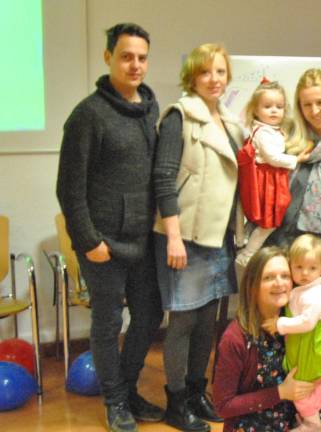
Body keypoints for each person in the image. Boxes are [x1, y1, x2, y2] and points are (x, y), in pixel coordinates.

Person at [56, 22, 164, 432]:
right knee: (106, 322)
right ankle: (115, 400)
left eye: (141, 57)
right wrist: (88, 241)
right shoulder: (87, 115)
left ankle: (128, 387)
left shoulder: (150, 108)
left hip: (142, 239)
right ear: (108, 58)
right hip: (103, 243)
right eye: (126, 56)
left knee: (150, 313)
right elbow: (68, 188)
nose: (135, 65)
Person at [153, 43, 244, 432]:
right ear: (192, 76)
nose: (214, 79)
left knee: (208, 321)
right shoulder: (179, 116)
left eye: (220, 72)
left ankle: (195, 391)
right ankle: (176, 401)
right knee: (184, 321)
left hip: (218, 236)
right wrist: (173, 237)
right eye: (205, 72)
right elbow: (163, 178)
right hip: (184, 236)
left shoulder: (229, 120)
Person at [213, 246, 321, 432]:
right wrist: (281, 392)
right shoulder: (234, 339)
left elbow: (318, 364)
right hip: (252, 425)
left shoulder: (298, 323)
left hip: (296, 419)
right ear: (253, 286)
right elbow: (223, 406)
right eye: (268, 277)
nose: (279, 283)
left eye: (285, 276)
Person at [264, 68, 321, 277]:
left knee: (312, 307)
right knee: (278, 306)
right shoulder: (284, 135)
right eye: (307, 104)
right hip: (278, 239)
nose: (315, 111)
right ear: (299, 107)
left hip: (318, 249)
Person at [262, 234, 321, 432]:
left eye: (312, 268)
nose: (304, 273)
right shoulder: (305, 288)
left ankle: (313, 424)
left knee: (303, 384)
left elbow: (306, 323)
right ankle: (312, 419)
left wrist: (279, 324)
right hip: (303, 345)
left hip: (312, 348)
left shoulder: (316, 294)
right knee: (307, 385)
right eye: (298, 267)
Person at [235, 79, 310, 266]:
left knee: (269, 219)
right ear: (255, 110)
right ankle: (247, 253)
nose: (274, 110)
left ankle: (244, 242)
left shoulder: (273, 130)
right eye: (267, 106)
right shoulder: (263, 132)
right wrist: (296, 159)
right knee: (269, 221)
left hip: (272, 180)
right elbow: (272, 157)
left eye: (279, 106)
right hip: (266, 182)